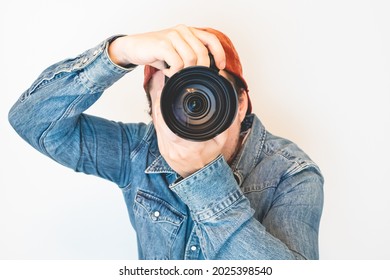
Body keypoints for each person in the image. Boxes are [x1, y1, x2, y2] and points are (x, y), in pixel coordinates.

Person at [8, 25, 324, 260]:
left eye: (207, 93)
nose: (194, 108)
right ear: (153, 114)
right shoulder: (137, 152)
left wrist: (205, 182)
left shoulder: (291, 174)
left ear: (241, 104)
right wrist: (118, 53)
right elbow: (31, 120)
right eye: (174, 97)